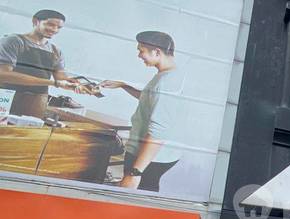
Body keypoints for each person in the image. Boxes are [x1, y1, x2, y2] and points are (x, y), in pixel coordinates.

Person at [101, 31, 184, 192]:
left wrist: (135, 173)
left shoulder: (166, 83)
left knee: (132, 199)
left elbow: (158, 132)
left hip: (148, 157)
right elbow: (150, 100)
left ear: (157, 52)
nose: (139, 55)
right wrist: (123, 85)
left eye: (141, 51)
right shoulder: (171, 74)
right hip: (156, 155)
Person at [0, 10, 84, 118]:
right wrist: (55, 83)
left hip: (36, 105)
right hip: (5, 101)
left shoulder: (56, 51)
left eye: (58, 27)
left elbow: (61, 78)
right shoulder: (14, 41)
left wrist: (80, 85)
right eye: (50, 24)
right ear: (35, 21)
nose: (54, 29)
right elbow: (3, 74)